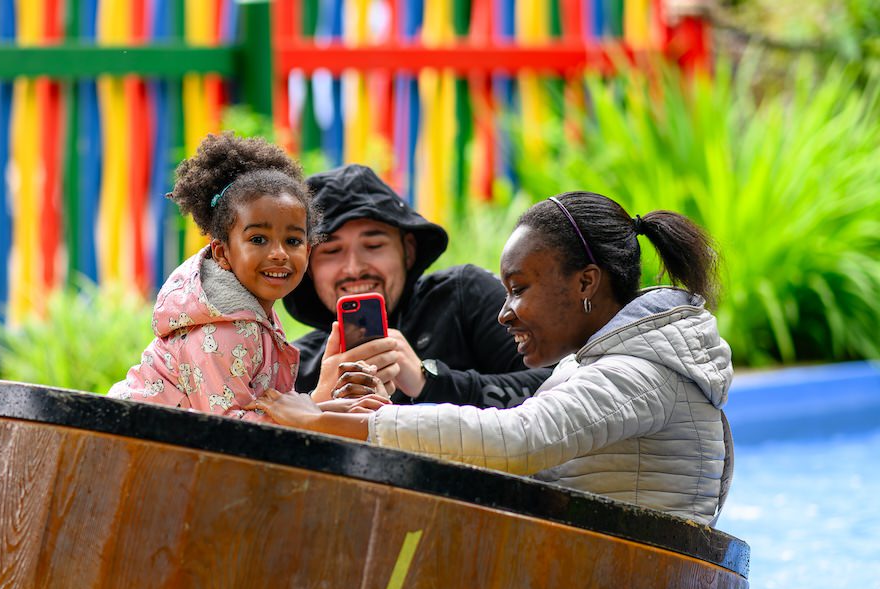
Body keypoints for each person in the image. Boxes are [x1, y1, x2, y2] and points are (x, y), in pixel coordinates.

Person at [250, 191, 734, 526]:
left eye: (519, 290)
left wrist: (337, 423)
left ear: (586, 282)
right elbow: (504, 465)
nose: (504, 314)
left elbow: (517, 440)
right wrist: (340, 409)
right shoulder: (590, 367)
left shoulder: (641, 374)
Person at [283, 164, 550, 407]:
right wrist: (318, 405)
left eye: (374, 245)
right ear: (307, 266)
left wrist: (428, 380)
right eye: (331, 251)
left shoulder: (464, 296)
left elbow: (564, 386)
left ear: (408, 251)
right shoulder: (295, 364)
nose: (354, 269)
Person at [109, 132, 318, 419]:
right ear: (221, 253)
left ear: (308, 249)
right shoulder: (222, 329)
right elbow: (231, 434)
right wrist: (317, 421)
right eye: (258, 239)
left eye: (293, 241)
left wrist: (327, 407)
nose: (279, 253)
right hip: (134, 447)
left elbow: (264, 404)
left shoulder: (250, 315)